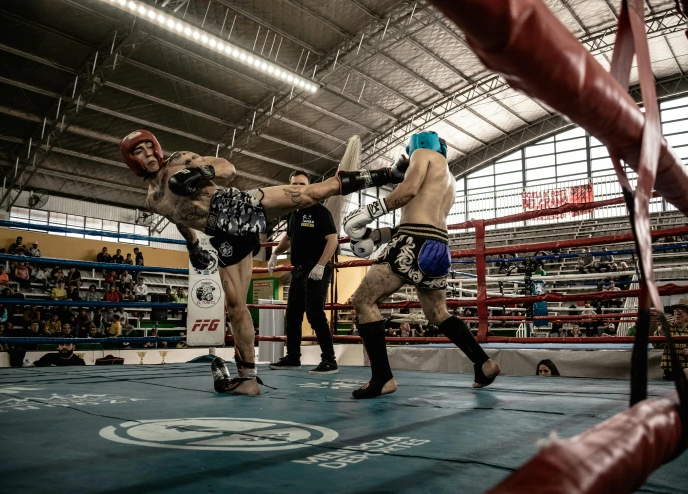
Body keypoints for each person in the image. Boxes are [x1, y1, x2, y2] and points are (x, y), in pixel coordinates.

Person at [121, 129, 402, 395]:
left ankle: (389, 173)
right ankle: (247, 380)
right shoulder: (152, 200)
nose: (148, 154)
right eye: (139, 151)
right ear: (132, 161)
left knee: (311, 194)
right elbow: (179, 220)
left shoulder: (180, 161)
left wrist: (198, 173)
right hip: (222, 235)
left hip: (236, 207)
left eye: (149, 147)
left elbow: (227, 168)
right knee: (235, 307)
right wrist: (193, 246)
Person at [344, 131, 500, 399]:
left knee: (363, 301)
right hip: (439, 246)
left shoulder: (422, 155)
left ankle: (382, 378)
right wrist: (379, 235)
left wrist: (368, 211)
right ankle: (484, 363)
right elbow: (423, 214)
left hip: (414, 240)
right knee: (439, 313)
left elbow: (409, 191)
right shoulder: (450, 177)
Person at [268, 171, 339, 374]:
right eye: (295, 184)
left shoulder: (319, 211)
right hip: (298, 270)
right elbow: (288, 238)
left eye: (302, 184)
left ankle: (330, 360)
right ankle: (293, 357)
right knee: (292, 315)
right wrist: (274, 253)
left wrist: (320, 265)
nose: (298, 187)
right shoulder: (294, 213)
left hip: (317, 268)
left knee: (315, 314)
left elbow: (332, 240)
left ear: (308, 186)